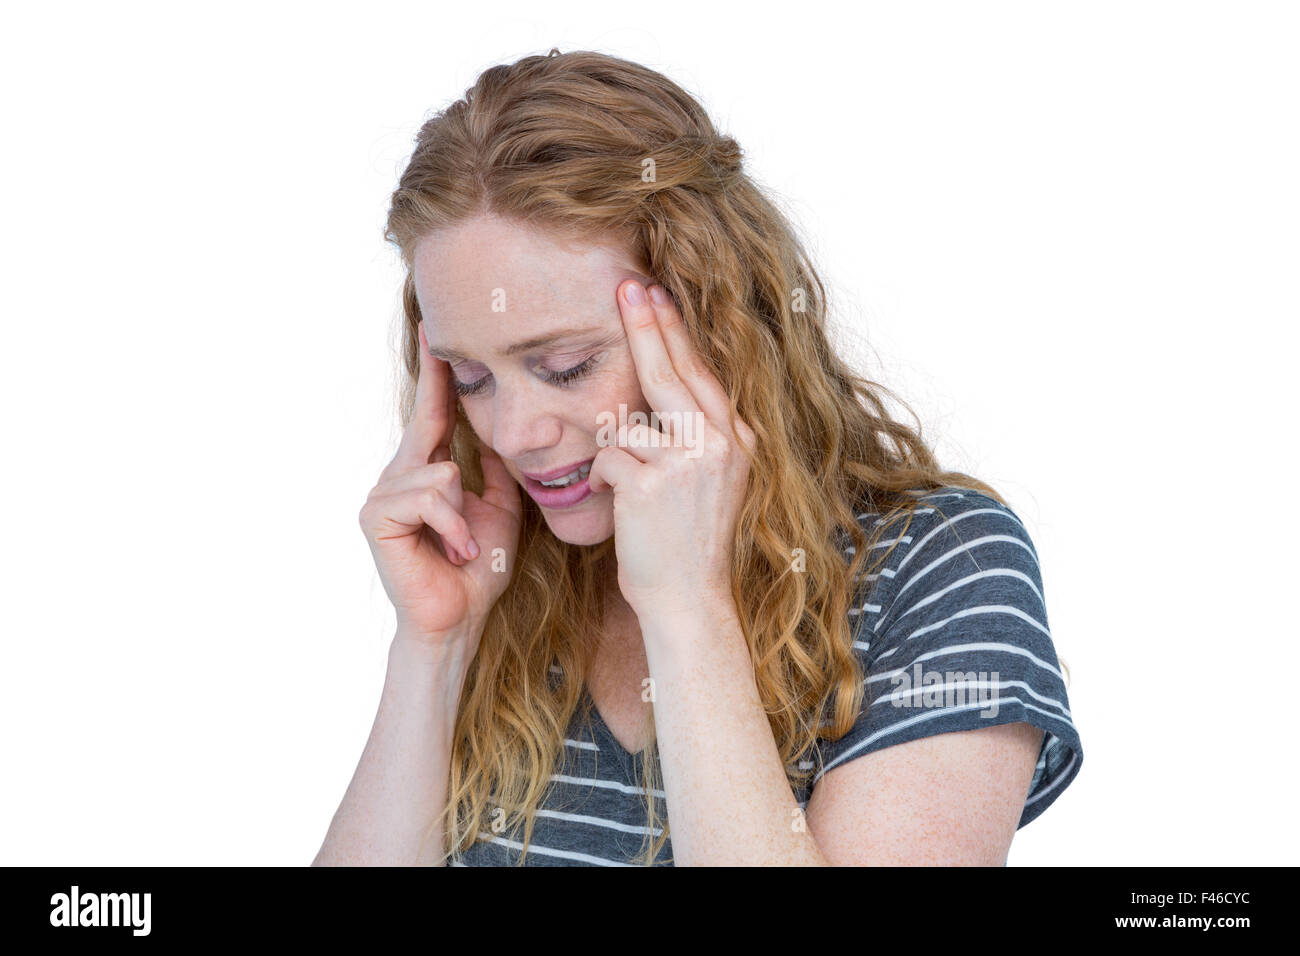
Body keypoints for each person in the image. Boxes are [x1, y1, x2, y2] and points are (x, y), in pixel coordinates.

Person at [312, 49, 1083, 867]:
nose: (512, 433)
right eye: (472, 377)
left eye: (566, 366)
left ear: (714, 320)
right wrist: (433, 646)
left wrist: (686, 607)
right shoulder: (506, 569)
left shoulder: (939, 566)